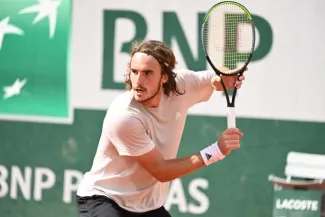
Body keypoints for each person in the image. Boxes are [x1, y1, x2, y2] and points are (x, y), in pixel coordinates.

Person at [76, 40, 245, 217]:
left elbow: (215, 79)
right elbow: (162, 171)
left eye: (148, 73)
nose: (138, 81)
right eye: (134, 72)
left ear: (164, 76)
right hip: (104, 198)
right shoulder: (124, 116)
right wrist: (216, 150)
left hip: (148, 206)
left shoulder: (182, 86)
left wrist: (224, 80)